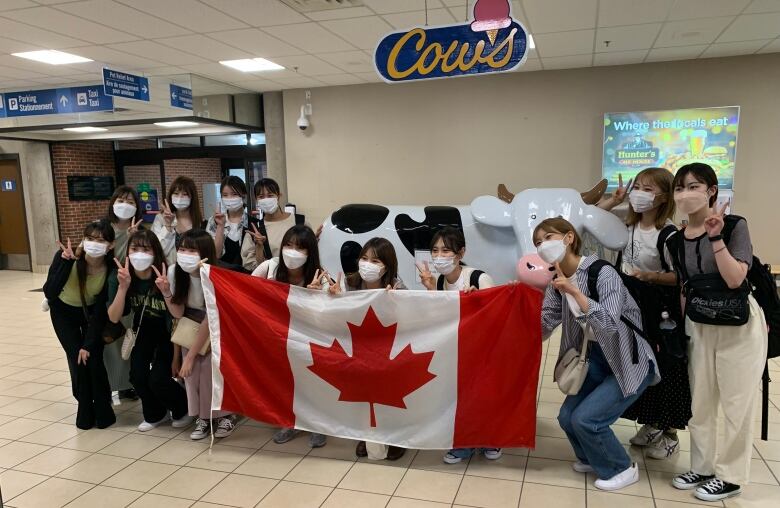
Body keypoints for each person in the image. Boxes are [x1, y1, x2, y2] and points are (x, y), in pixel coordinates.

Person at [667, 163, 767, 502]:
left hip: (738, 324)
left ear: (712, 190)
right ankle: (703, 466)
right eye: (679, 188)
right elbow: (685, 286)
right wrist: (681, 332)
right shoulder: (676, 239)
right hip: (700, 323)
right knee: (702, 401)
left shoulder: (735, 225)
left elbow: (736, 278)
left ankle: (731, 476)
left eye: (693, 186)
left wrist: (715, 236)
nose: (684, 194)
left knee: (737, 402)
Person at [535, 217, 658, 492]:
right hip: (596, 358)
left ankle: (622, 468)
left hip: (629, 360)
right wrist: (516, 301)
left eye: (549, 237)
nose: (543, 245)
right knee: (567, 417)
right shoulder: (556, 281)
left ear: (569, 238)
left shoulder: (602, 273)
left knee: (586, 419)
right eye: (538, 242)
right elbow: (544, 324)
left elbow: (611, 326)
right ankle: (592, 458)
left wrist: (577, 294)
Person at [600, 168, 690, 459]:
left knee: (665, 366)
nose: (639, 193)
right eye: (637, 186)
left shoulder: (669, 234)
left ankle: (670, 432)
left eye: (648, 189)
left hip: (659, 310)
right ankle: (651, 423)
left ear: (664, 196)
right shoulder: (626, 224)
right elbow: (590, 220)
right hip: (630, 305)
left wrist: (650, 277)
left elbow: (680, 276)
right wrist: (614, 201)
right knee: (639, 364)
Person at [415, 226, 500, 465]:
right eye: (435, 251)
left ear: (461, 253)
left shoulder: (479, 278)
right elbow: (440, 318)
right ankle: (464, 444)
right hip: (457, 350)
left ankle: (490, 438)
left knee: (482, 397)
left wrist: (477, 303)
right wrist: (431, 289)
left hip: (483, 351)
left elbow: (496, 317)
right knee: (459, 397)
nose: (439, 256)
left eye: (446, 250)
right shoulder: (441, 281)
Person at [153, 229, 237, 440]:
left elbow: (211, 318)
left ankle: (225, 415)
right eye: (182, 249)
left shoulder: (215, 275)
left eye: (192, 250)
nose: (185, 254)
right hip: (188, 327)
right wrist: (166, 292)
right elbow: (178, 313)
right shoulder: (174, 272)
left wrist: (190, 356)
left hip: (214, 327)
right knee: (192, 376)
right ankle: (202, 417)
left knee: (211, 371)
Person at [251, 225, 330, 448]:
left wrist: (314, 297)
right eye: (288, 245)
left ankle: (317, 425)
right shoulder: (269, 267)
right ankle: (288, 421)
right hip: (276, 338)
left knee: (311, 383)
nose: (292, 251)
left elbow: (330, 315)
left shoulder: (320, 275)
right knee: (283, 382)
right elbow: (245, 291)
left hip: (307, 341)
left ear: (310, 253)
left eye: (300, 248)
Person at [329, 237, 407, 461]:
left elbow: (415, 317)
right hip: (357, 349)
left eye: (375, 260)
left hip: (387, 351)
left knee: (389, 393)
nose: (367, 264)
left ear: (387, 266)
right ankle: (365, 435)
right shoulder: (349, 283)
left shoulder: (398, 287)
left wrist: (398, 303)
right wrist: (333, 298)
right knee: (362, 394)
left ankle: (393, 437)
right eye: (364, 258)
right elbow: (334, 316)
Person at [107, 230, 191, 432]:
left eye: (146, 249)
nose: (139, 254)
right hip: (143, 329)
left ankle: (183, 408)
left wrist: (176, 358)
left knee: (159, 379)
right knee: (137, 376)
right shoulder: (120, 277)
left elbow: (178, 316)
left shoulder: (166, 274)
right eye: (134, 249)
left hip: (169, 332)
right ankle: (156, 413)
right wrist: (123, 287)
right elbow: (114, 317)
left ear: (155, 252)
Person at [43, 220, 116, 430]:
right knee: (78, 360)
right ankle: (84, 408)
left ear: (110, 245)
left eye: (100, 240)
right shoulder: (67, 257)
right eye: (90, 239)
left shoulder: (110, 268)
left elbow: (101, 310)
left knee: (93, 358)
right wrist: (66, 263)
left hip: (92, 316)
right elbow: (50, 291)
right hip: (63, 314)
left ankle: (103, 408)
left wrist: (89, 343)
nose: (94, 244)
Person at [104, 185, 143, 401]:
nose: (125, 205)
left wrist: (133, 237)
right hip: (107, 293)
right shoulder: (105, 229)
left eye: (130, 201)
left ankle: (127, 384)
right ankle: (109, 385)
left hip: (130, 293)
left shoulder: (140, 229)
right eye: (121, 200)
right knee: (110, 340)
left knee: (128, 339)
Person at [241, 178, 307, 272]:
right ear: (256, 199)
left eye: (270, 195)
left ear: (279, 196)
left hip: (300, 280)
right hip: (272, 283)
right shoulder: (255, 231)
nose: (266, 199)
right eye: (261, 196)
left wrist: (314, 240)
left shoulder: (300, 221)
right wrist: (259, 247)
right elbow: (254, 268)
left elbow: (311, 252)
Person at [152, 176, 202, 266]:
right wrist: (168, 226)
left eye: (185, 194)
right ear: (170, 196)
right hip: (167, 271)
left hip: (192, 270)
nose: (180, 198)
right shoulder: (160, 218)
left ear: (192, 197)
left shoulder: (200, 222)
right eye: (176, 193)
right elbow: (157, 250)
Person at [206, 176, 251, 269]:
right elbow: (215, 255)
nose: (229, 198)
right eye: (225, 195)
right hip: (222, 276)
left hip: (247, 277)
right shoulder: (213, 221)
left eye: (234, 194)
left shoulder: (253, 223)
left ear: (243, 195)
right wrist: (220, 226)